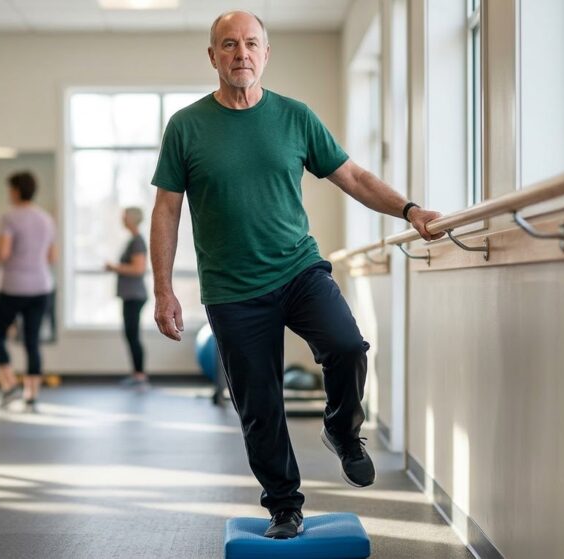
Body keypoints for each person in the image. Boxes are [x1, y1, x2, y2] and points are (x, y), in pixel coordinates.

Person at [150, 11, 445, 539]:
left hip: (298, 269)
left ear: (266, 53)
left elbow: (352, 176)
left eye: (251, 44)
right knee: (260, 406)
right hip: (232, 290)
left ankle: (342, 428)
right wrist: (164, 288)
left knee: (348, 345)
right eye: (229, 45)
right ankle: (284, 505)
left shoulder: (295, 116)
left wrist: (410, 210)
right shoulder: (187, 127)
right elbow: (167, 209)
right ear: (213, 55)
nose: (241, 53)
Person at [0, 171, 56, 413]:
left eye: (10, 190)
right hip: (41, 287)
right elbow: (52, 257)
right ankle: (31, 396)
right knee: (32, 341)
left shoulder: (9, 217)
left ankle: (9, 386)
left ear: (16, 191)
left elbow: (3, 253)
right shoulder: (46, 219)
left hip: (12, 287)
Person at [105, 207, 149, 388]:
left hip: (135, 296)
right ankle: (137, 374)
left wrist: (114, 267)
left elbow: (139, 269)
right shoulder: (133, 240)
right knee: (130, 334)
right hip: (130, 295)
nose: (121, 218)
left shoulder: (137, 241)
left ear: (132, 218)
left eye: (124, 216)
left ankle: (139, 375)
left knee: (133, 334)